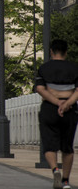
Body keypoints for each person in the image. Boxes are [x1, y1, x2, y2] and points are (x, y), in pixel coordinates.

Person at [35, 39, 78, 189]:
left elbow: (40, 89)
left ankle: (55, 170)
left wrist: (56, 102)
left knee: (49, 146)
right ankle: (66, 181)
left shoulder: (44, 68)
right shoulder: (74, 69)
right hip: (69, 109)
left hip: (49, 108)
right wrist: (66, 103)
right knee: (67, 147)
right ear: (66, 52)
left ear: (51, 52)